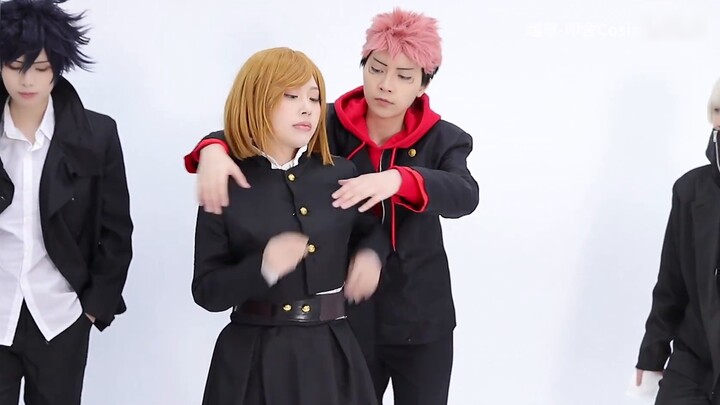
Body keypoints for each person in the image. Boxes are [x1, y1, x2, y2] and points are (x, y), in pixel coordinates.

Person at [184, 8, 479, 404]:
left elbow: (464, 194)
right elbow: (259, 119)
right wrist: (211, 149)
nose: (386, 85)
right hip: (346, 319)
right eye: (376, 69)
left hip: (420, 314)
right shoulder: (326, 122)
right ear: (364, 65)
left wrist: (397, 180)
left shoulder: (445, 139)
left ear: (424, 84)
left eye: (404, 76)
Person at [192, 46, 390, 405]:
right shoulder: (225, 181)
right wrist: (264, 266)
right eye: (291, 96)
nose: (307, 108)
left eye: (314, 98)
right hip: (253, 360)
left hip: (332, 354)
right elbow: (207, 292)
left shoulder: (340, 172)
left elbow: (370, 229)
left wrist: (370, 255)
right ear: (256, 100)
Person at [0, 1, 133, 404]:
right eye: (15, 66)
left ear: (58, 67)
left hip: (60, 316)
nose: (27, 80)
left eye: (41, 68)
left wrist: (90, 310)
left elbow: (116, 232)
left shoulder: (97, 134)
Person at [635, 77, 720, 404]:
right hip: (693, 362)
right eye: (717, 110)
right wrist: (652, 353)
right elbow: (671, 281)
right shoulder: (691, 189)